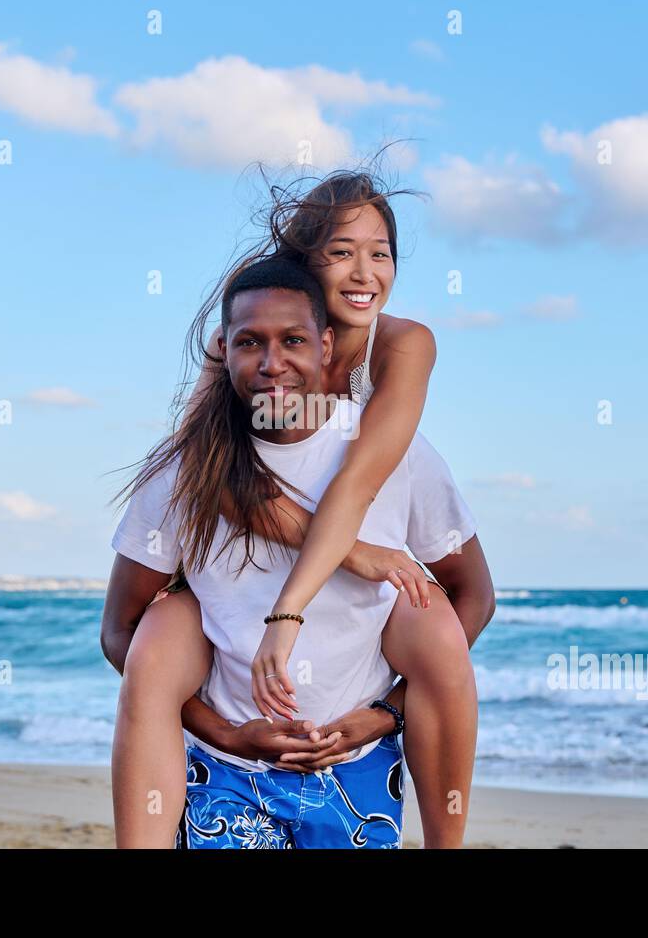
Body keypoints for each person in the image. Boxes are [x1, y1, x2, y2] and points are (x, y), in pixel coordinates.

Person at [108, 162, 495, 848]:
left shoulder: (400, 350)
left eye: (381, 253)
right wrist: (357, 552)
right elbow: (205, 457)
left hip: (352, 720)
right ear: (303, 265)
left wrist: (379, 710)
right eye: (342, 252)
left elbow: (358, 485)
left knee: (431, 621)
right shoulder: (244, 339)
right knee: (164, 625)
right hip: (228, 728)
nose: (364, 272)